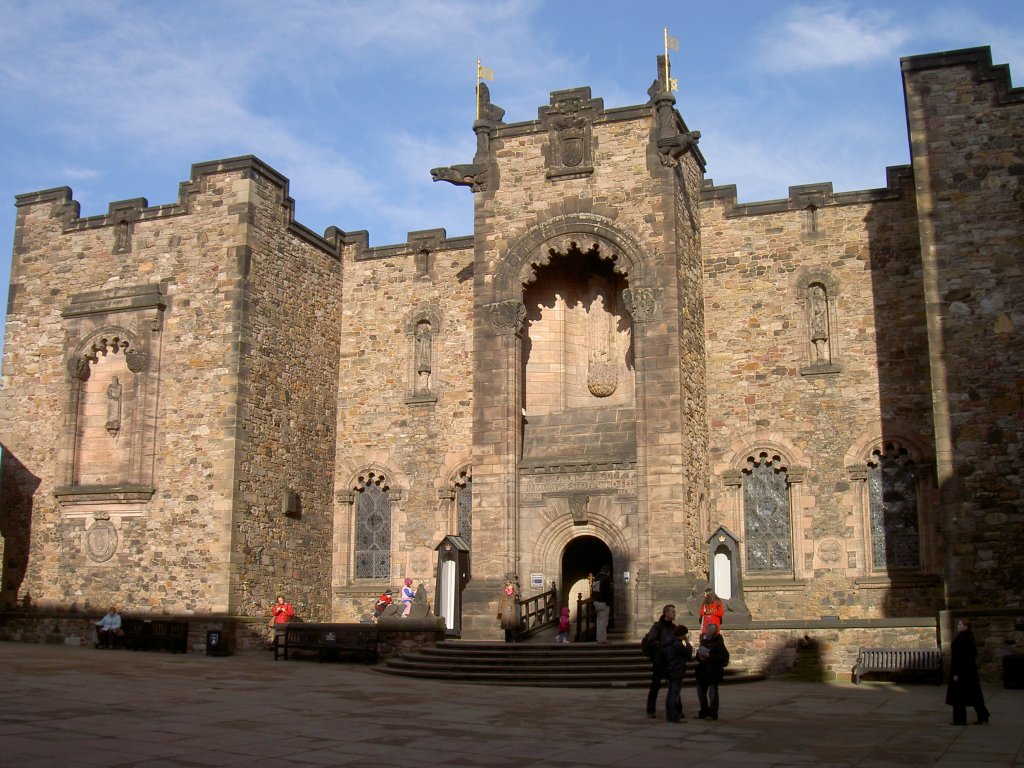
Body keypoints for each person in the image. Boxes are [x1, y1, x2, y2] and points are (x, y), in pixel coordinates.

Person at [947, 619, 990, 725]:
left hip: (962, 671)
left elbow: (960, 658)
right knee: (973, 694)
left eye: (960, 624)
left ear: (966, 627)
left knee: (959, 695)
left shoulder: (963, 639)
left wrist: (956, 673)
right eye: (958, 624)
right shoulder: (967, 638)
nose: (958, 626)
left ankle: (960, 719)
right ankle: (982, 714)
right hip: (968, 671)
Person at [642, 604, 677, 718]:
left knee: (673, 686)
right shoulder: (657, 627)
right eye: (672, 611)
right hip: (660, 660)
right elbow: (652, 641)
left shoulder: (674, 628)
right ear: (666, 613)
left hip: (670, 660)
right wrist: (664, 645)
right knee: (655, 685)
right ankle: (651, 709)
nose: (675, 613)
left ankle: (677, 709)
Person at [695, 622, 730, 720]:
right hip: (703, 671)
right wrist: (699, 657)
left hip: (713, 671)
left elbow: (723, 658)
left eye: (708, 630)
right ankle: (704, 712)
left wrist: (709, 656)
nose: (706, 632)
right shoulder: (704, 641)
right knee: (701, 693)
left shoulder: (719, 643)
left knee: (713, 693)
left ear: (713, 632)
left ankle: (713, 713)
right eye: (706, 630)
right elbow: (698, 654)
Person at [666, 624, 693, 722]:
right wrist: (687, 642)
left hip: (670, 669)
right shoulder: (677, 644)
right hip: (677, 670)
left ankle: (670, 714)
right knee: (674, 694)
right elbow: (688, 654)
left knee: (671, 693)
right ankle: (674, 716)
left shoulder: (670, 641)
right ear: (682, 634)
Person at [592, 564, 613, 643]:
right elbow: (606, 592)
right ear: (608, 572)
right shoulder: (606, 579)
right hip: (603, 602)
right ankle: (602, 639)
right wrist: (608, 603)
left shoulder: (596, 578)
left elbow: (594, 590)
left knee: (599, 621)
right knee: (603, 622)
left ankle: (598, 638)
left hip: (596, 601)